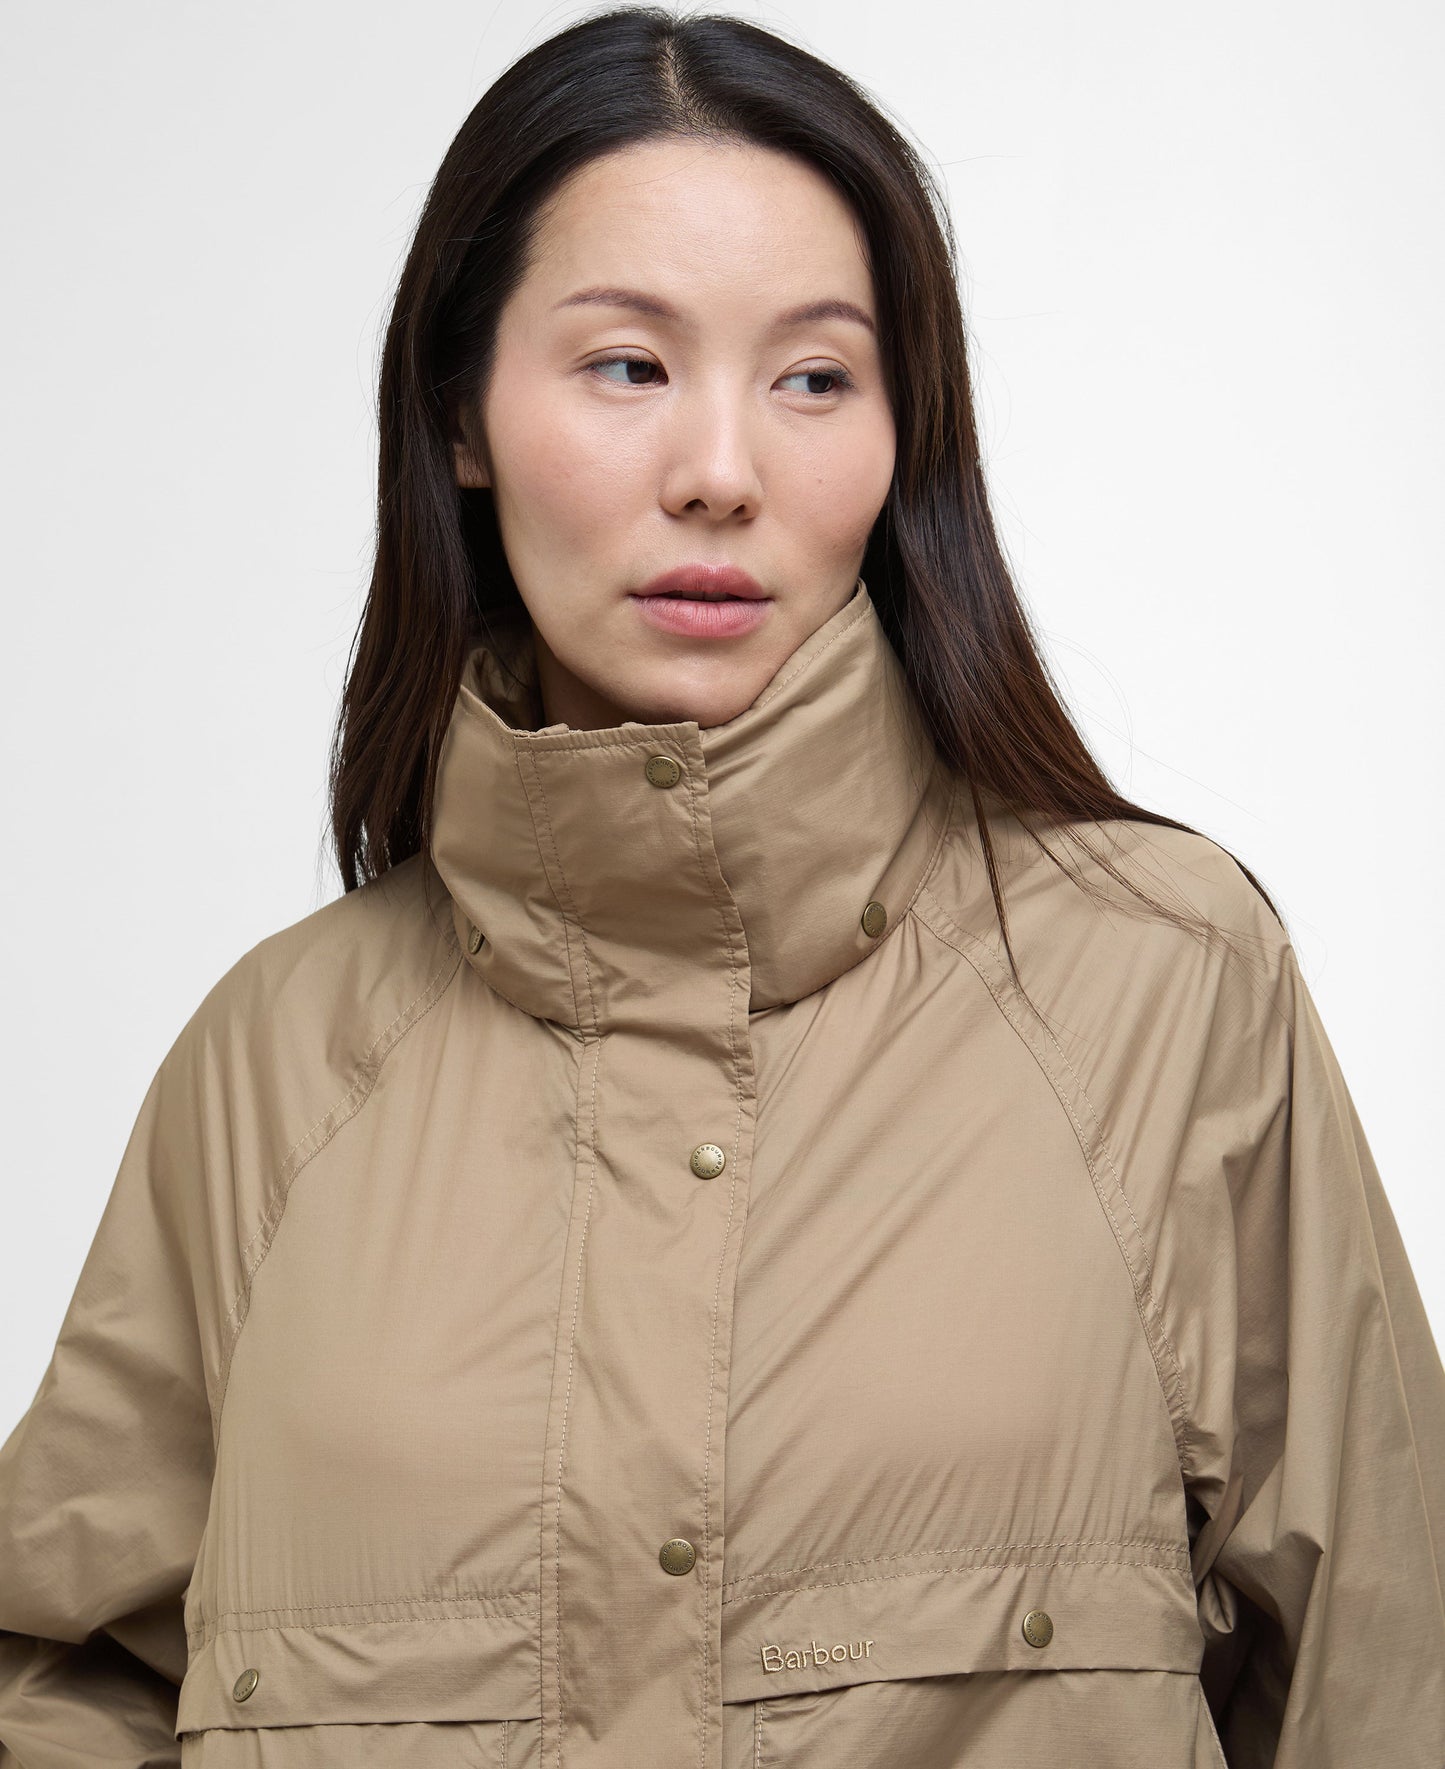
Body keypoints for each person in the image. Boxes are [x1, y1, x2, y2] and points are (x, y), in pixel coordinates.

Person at [2, 7, 1441, 1766]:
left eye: (814, 378)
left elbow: (1388, 1683)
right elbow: (59, 1675)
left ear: (905, 434)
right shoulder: (274, 1064)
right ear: (461, 414)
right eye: (626, 366)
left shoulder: (1160, 983)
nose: (719, 472)